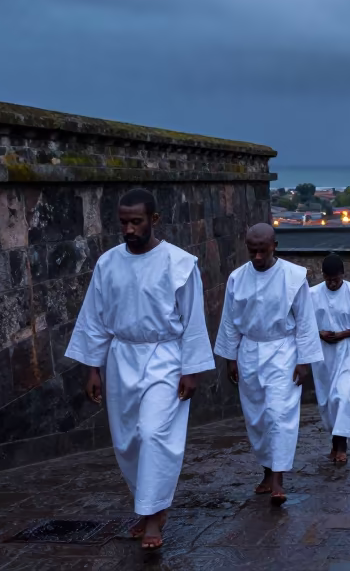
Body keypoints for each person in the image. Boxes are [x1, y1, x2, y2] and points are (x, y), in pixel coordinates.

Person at [66, 188, 213, 550]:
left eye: (137, 221)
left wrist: (190, 370)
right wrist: (93, 369)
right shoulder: (108, 263)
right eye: (124, 222)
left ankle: (151, 518)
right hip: (121, 357)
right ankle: (151, 503)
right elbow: (95, 319)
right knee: (128, 441)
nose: (129, 229)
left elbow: (193, 319)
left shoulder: (179, 263)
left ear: (154, 220)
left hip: (165, 357)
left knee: (152, 433)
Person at [214, 223, 320, 505]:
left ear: (274, 245)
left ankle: (278, 479)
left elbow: (306, 321)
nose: (257, 257)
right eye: (252, 251)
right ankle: (266, 469)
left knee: (279, 413)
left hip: (283, 350)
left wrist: (303, 360)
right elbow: (229, 320)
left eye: (262, 250)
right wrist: (230, 358)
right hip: (249, 350)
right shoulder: (237, 278)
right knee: (257, 416)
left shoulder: (294, 277)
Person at [309, 254, 350, 464]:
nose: (332, 283)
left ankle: (342, 446)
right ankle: (334, 442)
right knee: (328, 400)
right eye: (328, 279)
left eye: (335, 279)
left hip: (348, 351)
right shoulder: (312, 294)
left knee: (343, 396)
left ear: (343, 275)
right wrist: (319, 334)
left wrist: (344, 333)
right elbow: (304, 321)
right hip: (323, 354)